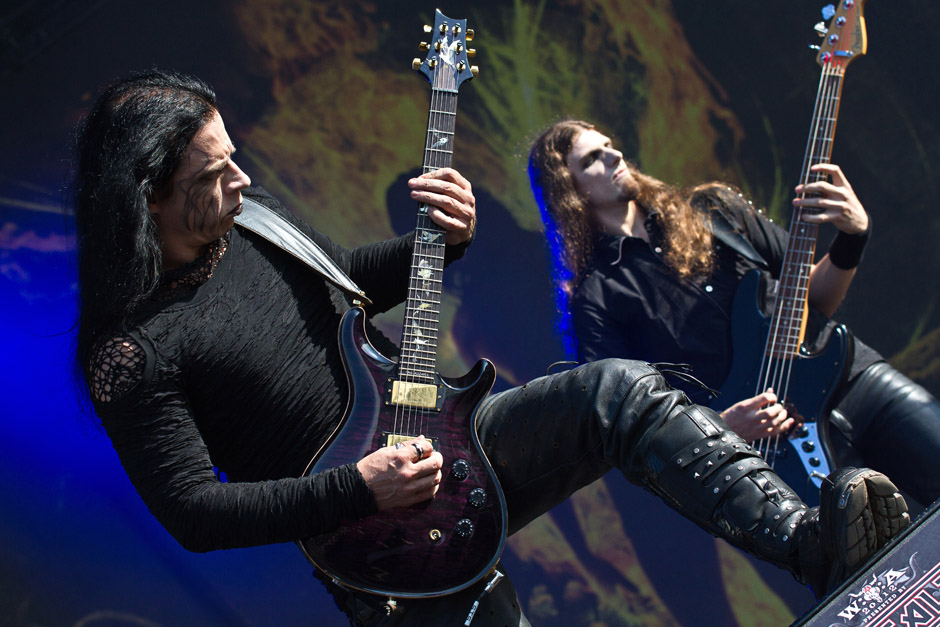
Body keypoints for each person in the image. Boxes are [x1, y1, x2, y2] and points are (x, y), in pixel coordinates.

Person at [73, 70, 909, 627]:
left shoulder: (246, 224)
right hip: (374, 537)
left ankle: (812, 542)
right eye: (212, 178)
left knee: (617, 387)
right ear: (146, 197)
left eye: (234, 160)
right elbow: (192, 515)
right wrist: (354, 489)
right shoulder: (128, 351)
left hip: (453, 437)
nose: (242, 184)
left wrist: (447, 239)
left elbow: (344, 285)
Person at [529, 119, 940, 513]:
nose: (615, 155)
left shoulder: (713, 208)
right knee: (877, 564)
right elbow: (630, 430)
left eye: (609, 145)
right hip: (776, 445)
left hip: (854, 380)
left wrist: (853, 236)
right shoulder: (595, 300)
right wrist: (719, 427)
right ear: (569, 192)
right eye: (592, 159)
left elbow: (812, 299)